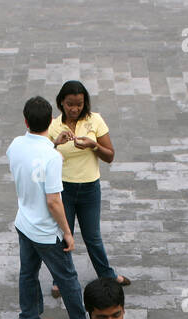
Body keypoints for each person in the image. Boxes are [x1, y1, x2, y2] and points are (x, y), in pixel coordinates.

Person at [44, 80, 130, 299]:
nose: (75, 109)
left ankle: (107, 275)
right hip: (64, 189)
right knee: (64, 235)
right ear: (61, 102)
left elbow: (110, 155)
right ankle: (59, 278)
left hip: (90, 188)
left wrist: (93, 146)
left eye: (79, 104)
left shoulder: (95, 120)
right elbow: (42, 156)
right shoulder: (54, 125)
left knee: (93, 236)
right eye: (70, 104)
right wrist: (55, 143)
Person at [7, 96, 85, 319]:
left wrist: (53, 144)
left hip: (24, 223)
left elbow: (32, 158)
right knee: (68, 278)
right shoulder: (52, 157)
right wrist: (68, 233)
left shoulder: (15, 145)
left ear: (25, 121)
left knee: (28, 273)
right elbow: (53, 201)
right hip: (45, 231)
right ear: (51, 121)